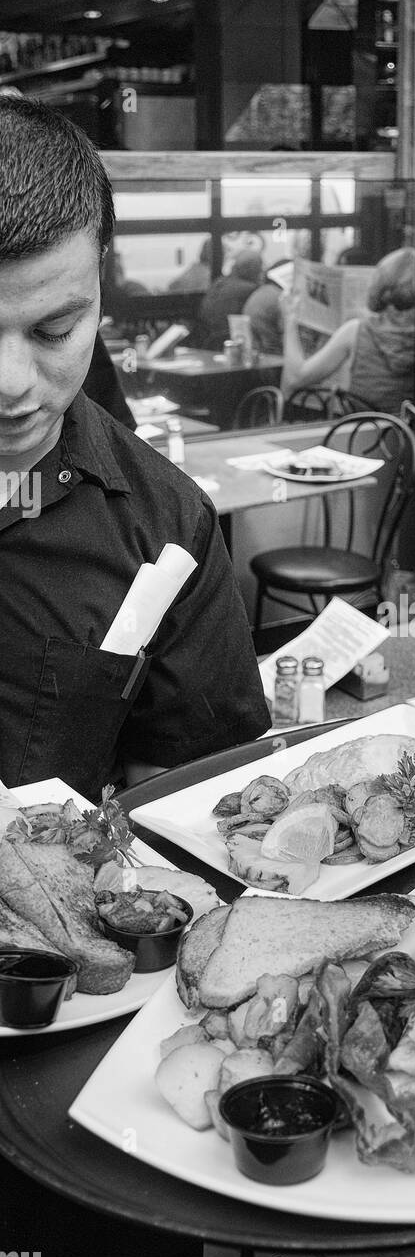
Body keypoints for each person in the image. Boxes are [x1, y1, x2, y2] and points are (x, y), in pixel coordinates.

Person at [0, 97, 270, 800]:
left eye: (55, 330)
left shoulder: (167, 527)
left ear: (99, 281)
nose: (11, 387)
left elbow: (186, 795)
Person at [280, 247, 415, 416]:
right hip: (413, 436)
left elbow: (297, 377)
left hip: (361, 435)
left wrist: (290, 319)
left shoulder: (355, 332)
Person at [196, 248, 263, 349]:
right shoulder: (249, 290)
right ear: (253, 269)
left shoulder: (219, 283)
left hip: (208, 342)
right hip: (233, 341)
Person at [242, 260, 289, 356]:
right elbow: (286, 334)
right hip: (272, 355)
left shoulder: (262, 291)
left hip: (255, 351)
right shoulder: (280, 298)